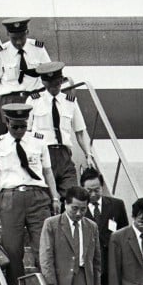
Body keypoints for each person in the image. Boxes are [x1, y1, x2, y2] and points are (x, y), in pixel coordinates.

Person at [0, 103, 60, 285]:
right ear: (7, 122)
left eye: (22, 126)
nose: (19, 131)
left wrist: (55, 197)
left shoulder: (38, 141)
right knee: (13, 250)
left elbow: (48, 172)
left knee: (42, 247)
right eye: (14, 126)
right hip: (10, 198)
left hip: (37, 197)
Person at [81, 167, 128, 285]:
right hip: (91, 265)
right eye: (89, 191)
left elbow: (125, 232)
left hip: (112, 262)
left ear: (101, 186)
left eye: (96, 189)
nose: (93, 194)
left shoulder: (116, 206)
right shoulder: (79, 209)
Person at [29, 62, 90, 203]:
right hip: (43, 154)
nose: (55, 88)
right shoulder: (34, 101)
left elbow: (80, 132)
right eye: (51, 85)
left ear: (61, 81)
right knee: (46, 199)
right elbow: (27, 132)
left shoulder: (70, 102)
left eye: (57, 84)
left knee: (72, 197)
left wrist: (89, 154)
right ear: (44, 83)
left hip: (64, 156)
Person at [0, 18, 49, 137]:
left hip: (34, 98)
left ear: (27, 32)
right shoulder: (0, 52)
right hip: (10, 100)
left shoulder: (38, 48)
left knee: (34, 137)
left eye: (22, 37)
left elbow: (48, 73)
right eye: (14, 38)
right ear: (8, 34)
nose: (19, 42)